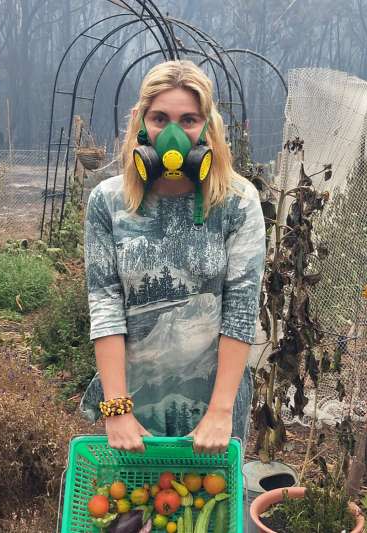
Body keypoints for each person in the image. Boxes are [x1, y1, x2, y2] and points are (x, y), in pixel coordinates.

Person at [79, 60, 266, 455]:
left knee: (208, 509)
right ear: (140, 122)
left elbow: (241, 310)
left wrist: (221, 411)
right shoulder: (109, 202)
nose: (174, 133)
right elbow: (105, 303)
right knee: (129, 512)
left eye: (189, 119)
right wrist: (116, 410)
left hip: (214, 403)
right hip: (132, 401)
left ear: (208, 127)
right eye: (160, 118)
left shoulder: (236, 201)